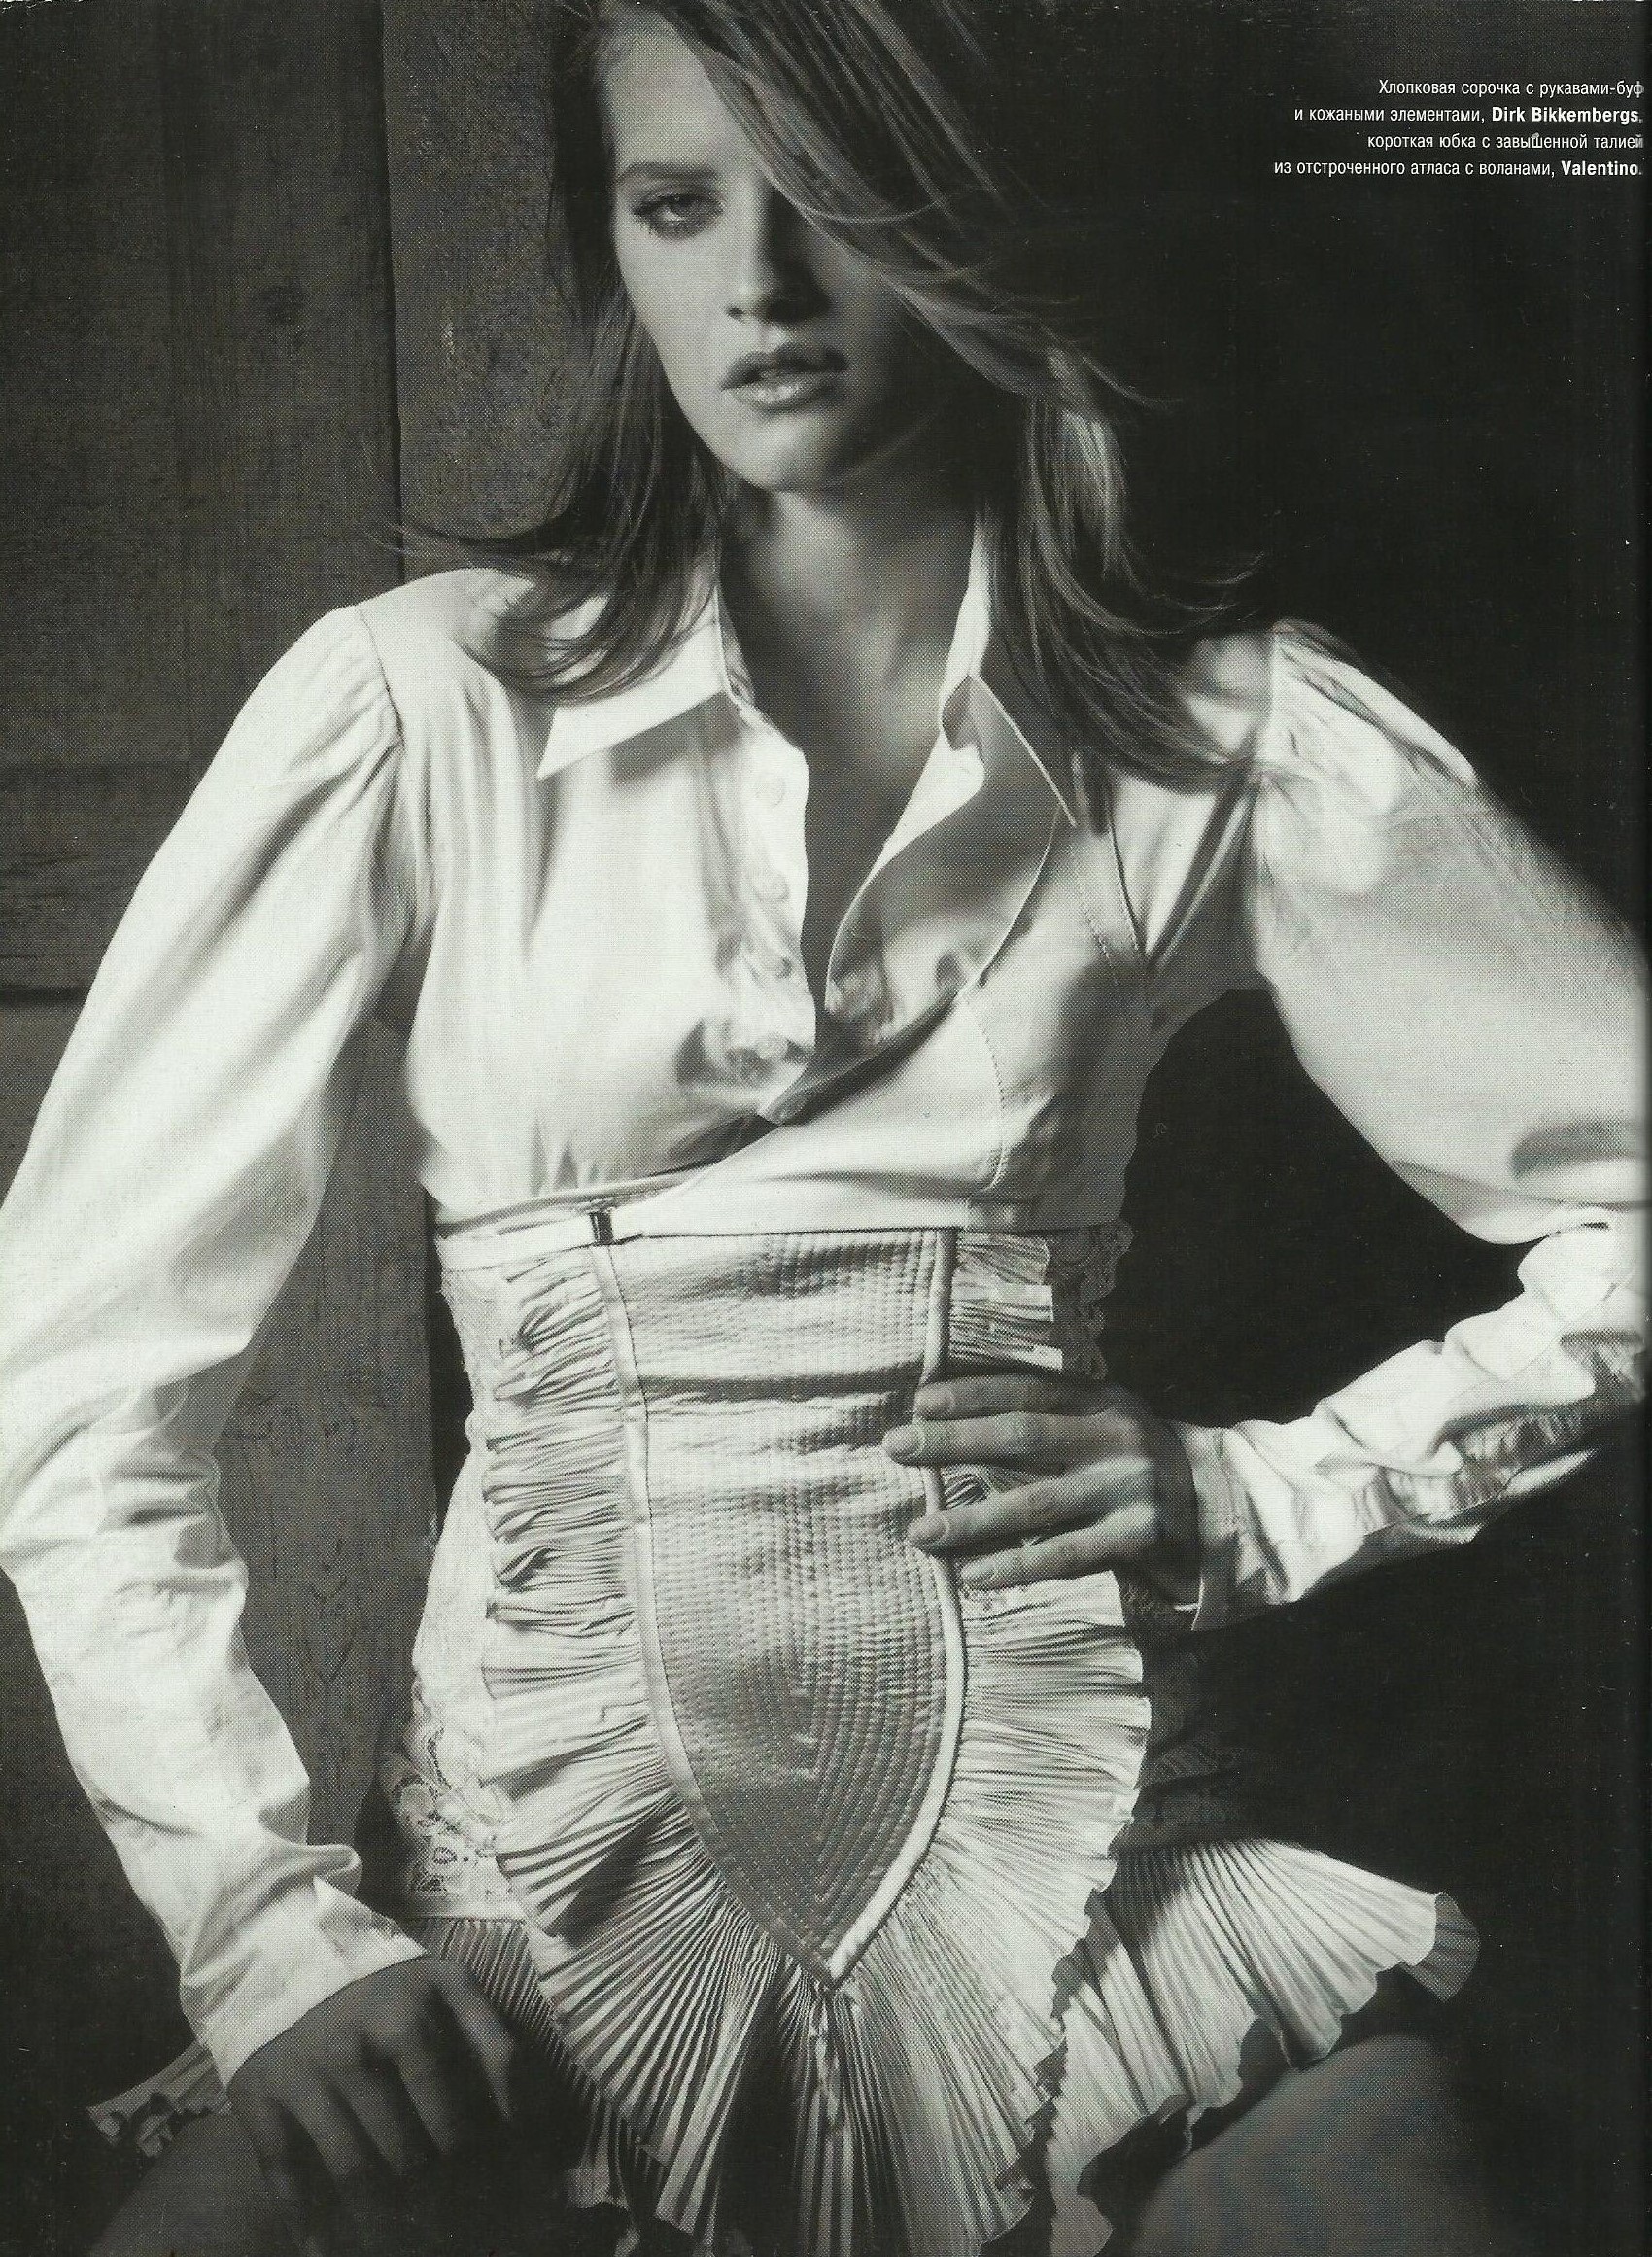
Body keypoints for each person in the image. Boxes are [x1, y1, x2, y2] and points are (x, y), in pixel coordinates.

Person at [0, 3, 1640, 2253]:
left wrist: (1268, 1491)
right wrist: (264, 1931)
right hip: (526, 1932)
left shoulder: (1221, 735)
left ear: (974, 225)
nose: (757, 289)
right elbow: (80, 1374)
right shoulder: (422, 706)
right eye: (677, 208)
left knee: (1423, 2204)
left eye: (834, 207)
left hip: (1091, 1905)